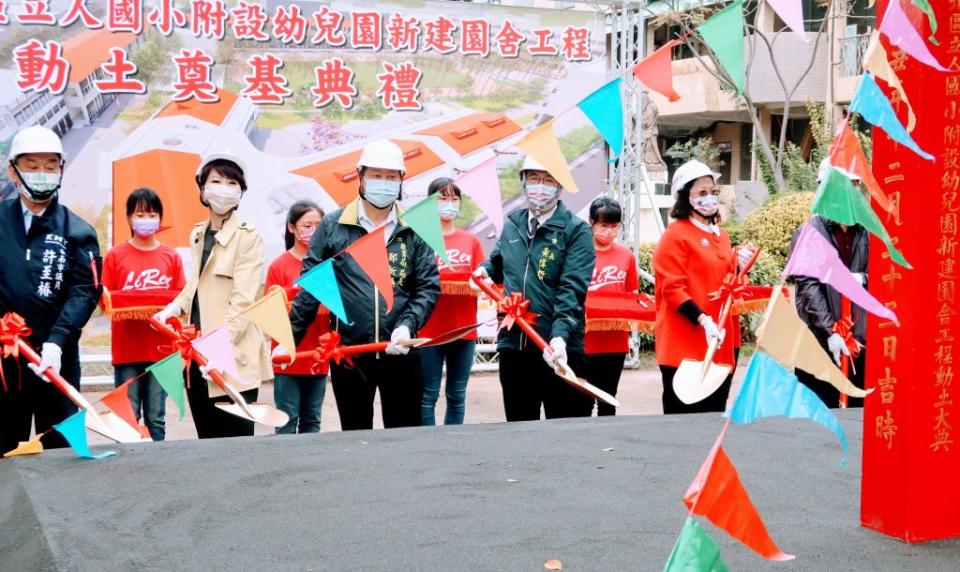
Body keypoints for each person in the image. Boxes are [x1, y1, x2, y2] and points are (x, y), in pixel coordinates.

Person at [286, 140, 440, 431]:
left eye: (391, 177)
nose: (384, 183)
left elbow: (428, 287)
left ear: (401, 181)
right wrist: (288, 340)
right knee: (355, 438)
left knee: (405, 438)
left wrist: (407, 325)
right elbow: (312, 288)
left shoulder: (415, 227)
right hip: (350, 355)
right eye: (376, 175)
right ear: (361, 176)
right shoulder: (333, 226)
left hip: (402, 352)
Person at [153, 151, 270, 439]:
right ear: (202, 189)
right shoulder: (198, 234)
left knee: (235, 445)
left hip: (231, 358)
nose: (224, 189)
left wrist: (219, 350)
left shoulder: (248, 237)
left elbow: (243, 302)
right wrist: (174, 307)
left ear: (241, 192)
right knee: (207, 442)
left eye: (233, 183)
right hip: (196, 357)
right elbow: (195, 283)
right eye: (216, 181)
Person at [0, 126, 102, 454]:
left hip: (55, 366)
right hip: (5, 368)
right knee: (5, 455)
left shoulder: (78, 232)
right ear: (12, 171)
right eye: (32, 166)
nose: (42, 174)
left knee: (60, 454)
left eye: (50, 166)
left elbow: (86, 290)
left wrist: (56, 343)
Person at [473, 155, 595, 421]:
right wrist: (485, 270)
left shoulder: (576, 231)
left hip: (558, 349)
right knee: (519, 430)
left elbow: (572, 289)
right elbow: (499, 259)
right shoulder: (514, 223)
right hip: (514, 346)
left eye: (548, 180)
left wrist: (560, 336)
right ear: (523, 182)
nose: (540, 187)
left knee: (563, 433)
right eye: (534, 179)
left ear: (560, 185)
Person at [652, 160, 754, 414]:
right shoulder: (675, 235)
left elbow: (726, 282)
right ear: (685, 198)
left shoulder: (721, 235)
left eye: (712, 191)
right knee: (683, 424)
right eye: (701, 192)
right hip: (686, 343)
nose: (709, 198)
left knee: (713, 418)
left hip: (721, 342)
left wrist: (739, 265)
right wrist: (704, 320)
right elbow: (672, 288)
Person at [101, 188, 185, 441]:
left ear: (160, 218)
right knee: (126, 418)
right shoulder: (115, 255)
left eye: (151, 214)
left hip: (162, 351)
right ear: (128, 217)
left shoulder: (171, 256)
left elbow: (181, 299)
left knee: (156, 417)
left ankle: (158, 471)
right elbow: (106, 299)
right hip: (127, 349)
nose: (146, 219)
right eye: (140, 213)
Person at [789, 159, 868, 408]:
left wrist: (865, 279)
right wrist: (832, 333)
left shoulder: (871, 232)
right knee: (818, 418)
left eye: (853, 186)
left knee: (859, 420)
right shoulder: (808, 234)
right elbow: (808, 289)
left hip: (861, 345)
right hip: (820, 345)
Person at [418, 178, 485, 425]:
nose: (449, 204)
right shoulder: (420, 239)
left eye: (454, 199)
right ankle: (426, 445)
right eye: (442, 198)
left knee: (457, 395)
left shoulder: (471, 241)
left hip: (463, 330)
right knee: (428, 395)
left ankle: (453, 445)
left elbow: (483, 280)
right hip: (428, 332)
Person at [266, 201, 329, 434]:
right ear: (292, 228)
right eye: (307, 225)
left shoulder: (327, 264)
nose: (313, 230)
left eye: (319, 225)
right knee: (286, 419)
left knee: (312, 420)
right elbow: (269, 315)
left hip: (318, 354)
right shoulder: (278, 266)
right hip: (287, 357)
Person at [583, 197, 639, 416]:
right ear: (591, 223)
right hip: (584, 340)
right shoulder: (580, 254)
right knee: (583, 403)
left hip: (615, 341)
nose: (609, 231)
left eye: (615, 226)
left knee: (608, 401)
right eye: (604, 225)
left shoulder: (626, 256)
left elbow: (631, 296)